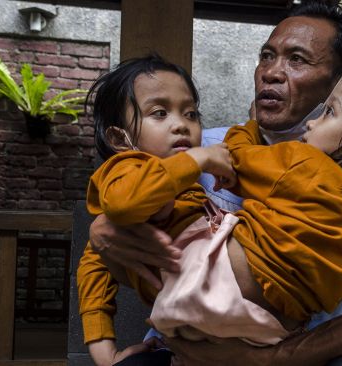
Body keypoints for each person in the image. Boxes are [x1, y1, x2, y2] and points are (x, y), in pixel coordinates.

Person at [86, 2, 342, 365]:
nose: (272, 72)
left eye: (297, 60)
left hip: (296, 344)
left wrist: (267, 359)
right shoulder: (195, 147)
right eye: (267, 56)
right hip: (182, 342)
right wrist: (104, 226)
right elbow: (119, 205)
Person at [78, 54, 237, 366]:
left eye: (190, 113)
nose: (181, 125)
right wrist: (107, 356)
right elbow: (124, 207)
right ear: (119, 138)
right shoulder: (127, 168)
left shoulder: (185, 185)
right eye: (160, 113)